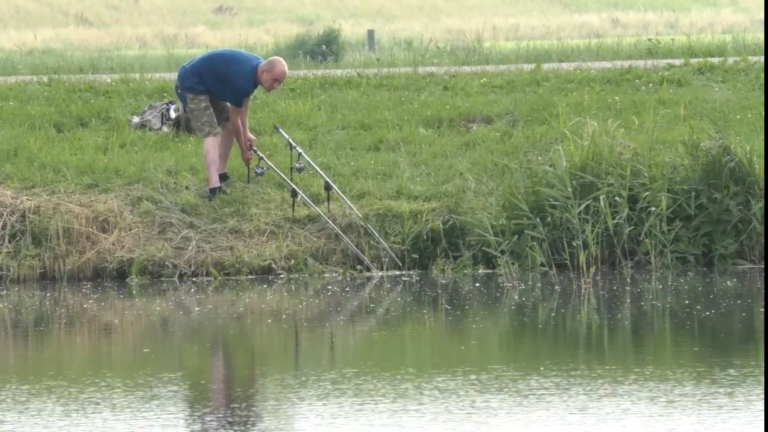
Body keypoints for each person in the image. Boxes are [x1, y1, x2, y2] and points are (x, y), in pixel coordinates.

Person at [174, 49, 289, 201]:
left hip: (208, 85)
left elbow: (244, 105)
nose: (276, 86)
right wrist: (243, 150)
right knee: (211, 132)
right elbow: (236, 119)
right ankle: (214, 188)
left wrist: (246, 133)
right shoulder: (243, 80)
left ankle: (221, 173)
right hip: (190, 84)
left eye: (280, 82)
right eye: (275, 80)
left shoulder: (256, 70)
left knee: (226, 123)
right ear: (264, 72)